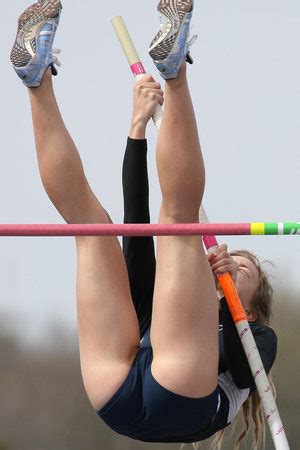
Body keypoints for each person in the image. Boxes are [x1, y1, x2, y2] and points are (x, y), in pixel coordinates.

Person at [10, 0, 277, 449]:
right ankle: (35, 79)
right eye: (231, 257)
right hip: (124, 389)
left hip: (166, 396)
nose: (227, 260)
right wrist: (136, 132)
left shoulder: (259, 338)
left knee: (180, 220)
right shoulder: (170, 307)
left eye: (242, 269)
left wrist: (227, 297)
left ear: (252, 308)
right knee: (90, 227)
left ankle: (176, 74)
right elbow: (136, 233)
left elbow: (238, 354)